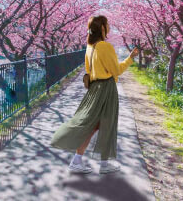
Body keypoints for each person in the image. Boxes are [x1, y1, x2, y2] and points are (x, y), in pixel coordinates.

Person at [50, 15, 140, 174]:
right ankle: (102, 164)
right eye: (107, 24)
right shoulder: (105, 46)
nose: (110, 26)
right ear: (103, 28)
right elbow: (117, 70)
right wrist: (130, 58)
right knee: (105, 123)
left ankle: (81, 161)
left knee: (94, 124)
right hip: (106, 89)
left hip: (94, 88)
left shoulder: (90, 47)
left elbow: (89, 70)